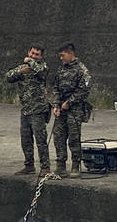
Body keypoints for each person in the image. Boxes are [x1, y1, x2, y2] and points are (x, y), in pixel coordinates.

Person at [6, 44, 51, 176]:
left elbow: (42, 73)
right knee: (26, 139)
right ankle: (29, 165)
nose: (33, 56)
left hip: (38, 109)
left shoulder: (42, 67)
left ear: (40, 56)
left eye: (36, 55)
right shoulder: (23, 68)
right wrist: (20, 72)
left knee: (40, 139)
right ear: (28, 52)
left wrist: (30, 62)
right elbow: (8, 77)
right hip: (25, 110)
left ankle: (45, 167)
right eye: (32, 53)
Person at [51, 42, 92, 178]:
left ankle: (75, 165)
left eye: (63, 55)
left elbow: (84, 90)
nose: (61, 58)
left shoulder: (82, 70)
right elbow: (55, 87)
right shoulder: (61, 70)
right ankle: (61, 165)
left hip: (75, 110)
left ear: (70, 53)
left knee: (74, 138)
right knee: (58, 137)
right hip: (61, 110)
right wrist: (56, 105)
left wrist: (69, 102)